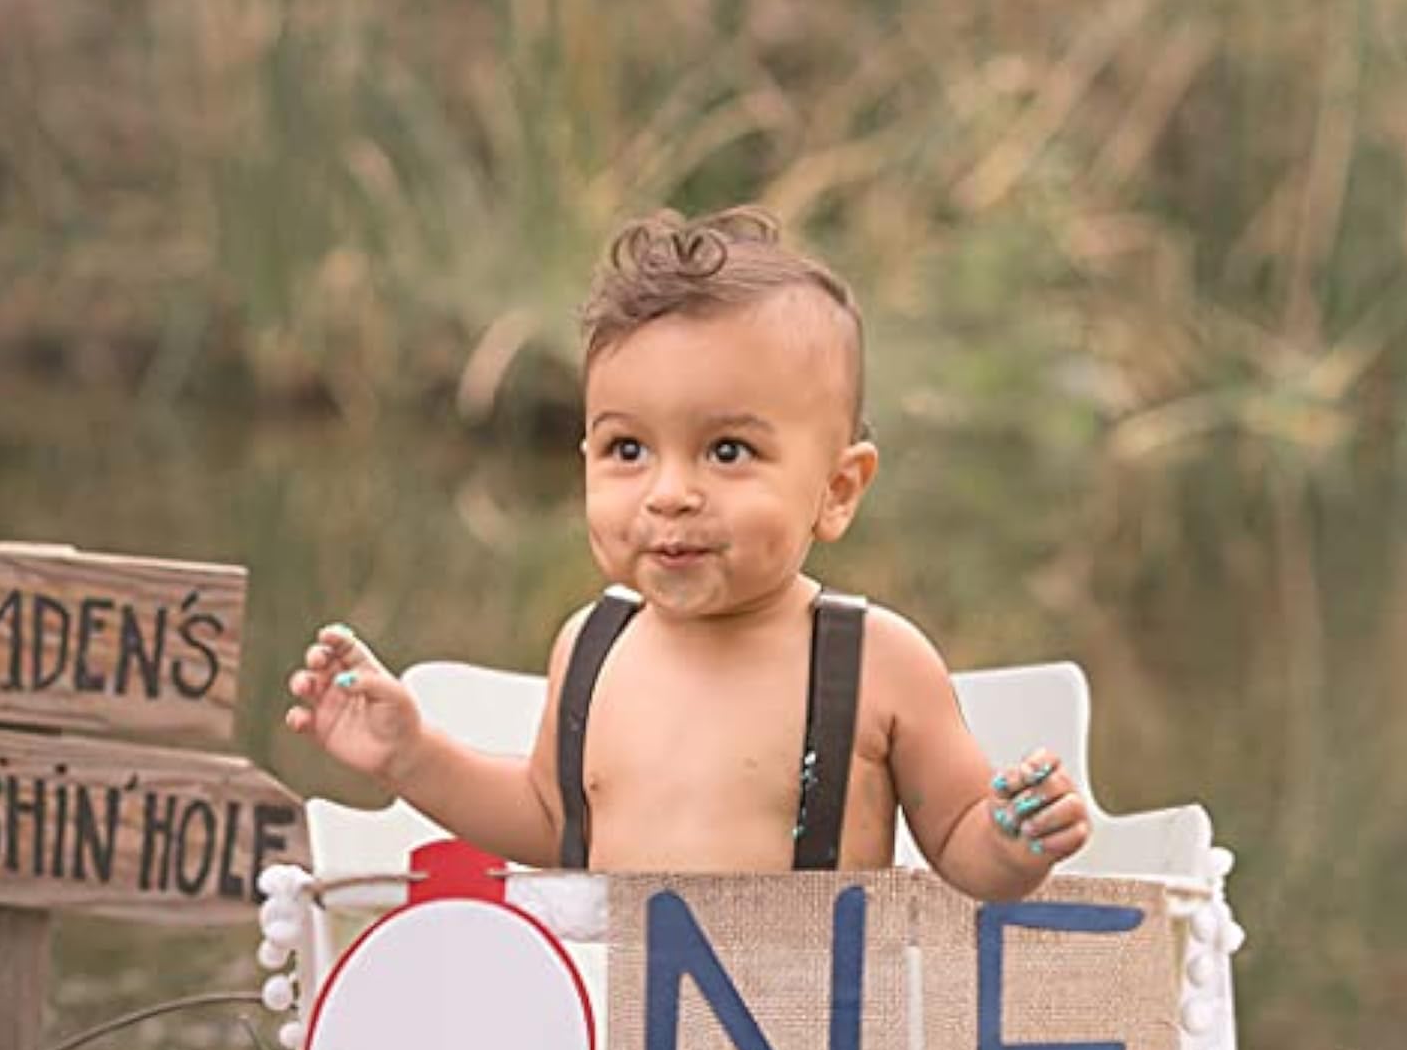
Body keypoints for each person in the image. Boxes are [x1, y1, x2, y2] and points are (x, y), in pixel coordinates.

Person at [286, 207, 1089, 899]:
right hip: (625, 1022)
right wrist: (412, 756)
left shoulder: (876, 662)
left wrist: (1011, 841)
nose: (669, 493)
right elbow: (551, 824)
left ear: (838, 489)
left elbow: (958, 841)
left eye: (728, 451)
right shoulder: (592, 647)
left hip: (804, 1025)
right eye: (628, 449)